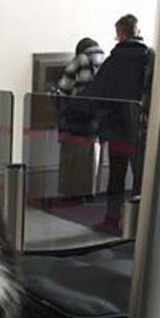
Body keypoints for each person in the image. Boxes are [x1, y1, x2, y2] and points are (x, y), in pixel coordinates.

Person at [83, 14, 155, 233]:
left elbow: (95, 93)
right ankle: (140, 226)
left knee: (116, 176)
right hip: (141, 128)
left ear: (121, 34)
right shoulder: (150, 57)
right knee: (141, 177)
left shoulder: (113, 61)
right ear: (137, 31)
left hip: (116, 130)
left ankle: (112, 221)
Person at [55, 38, 105, 200]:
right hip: (96, 119)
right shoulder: (105, 61)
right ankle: (89, 191)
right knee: (90, 155)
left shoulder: (80, 60)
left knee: (73, 156)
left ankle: (73, 193)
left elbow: (64, 88)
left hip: (76, 118)